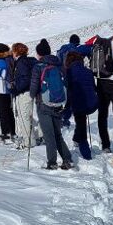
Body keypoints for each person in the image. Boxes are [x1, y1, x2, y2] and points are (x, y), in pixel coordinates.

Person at [82, 25, 113, 154]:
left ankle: (105, 146)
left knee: (102, 115)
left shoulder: (97, 39)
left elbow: (83, 48)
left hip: (100, 82)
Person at [31, 39, 74, 170]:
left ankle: (52, 162)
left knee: (48, 134)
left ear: (39, 54)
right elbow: (66, 84)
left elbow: (33, 87)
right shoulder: (59, 65)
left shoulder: (38, 66)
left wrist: (32, 96)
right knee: (57, 133)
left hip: (43, 104)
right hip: (59, 103)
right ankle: (67, 159)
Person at [64, 50, 99, 160]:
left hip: (79, 104)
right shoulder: (88, 71)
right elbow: (93, 87)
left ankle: (86, 153)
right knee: (81, 122)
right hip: (92, 103)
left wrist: (66, 109)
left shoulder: (69, 72)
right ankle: (76, 139)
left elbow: (68, 91)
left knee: (81, 126)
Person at [8, 42, 37, 148]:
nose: (12, 52)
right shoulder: (25, 61)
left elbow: (25, 79)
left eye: (13, 50)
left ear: (16, 51)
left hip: (24, 93)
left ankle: (28, 142)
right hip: (27, 92)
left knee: (24, 117)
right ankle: (32, 138)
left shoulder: (21, 62)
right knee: (26, 117)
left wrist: (15, 89)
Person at [57, 34, 82, 128]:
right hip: (72, 77)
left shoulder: (62, 49)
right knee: (70, 100)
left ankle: (60, 118)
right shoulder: (76, 50)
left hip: (62, 77)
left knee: (63, 99)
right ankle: (65, 119)